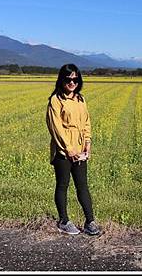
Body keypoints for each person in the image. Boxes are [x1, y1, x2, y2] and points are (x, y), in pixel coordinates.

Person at [46, 63, 101, 235]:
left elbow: (86, 123)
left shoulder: (80, 99)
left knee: (82, 186)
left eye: (75, 79)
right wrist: (68, 149)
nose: (72, 82)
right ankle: (64, 220)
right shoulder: (55, 100)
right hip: (63, 151)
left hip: (80, 150)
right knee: (63, 185)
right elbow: (56, 127)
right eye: (68, 79)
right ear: (61, 80)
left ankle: (90, 221)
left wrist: (88, 144)